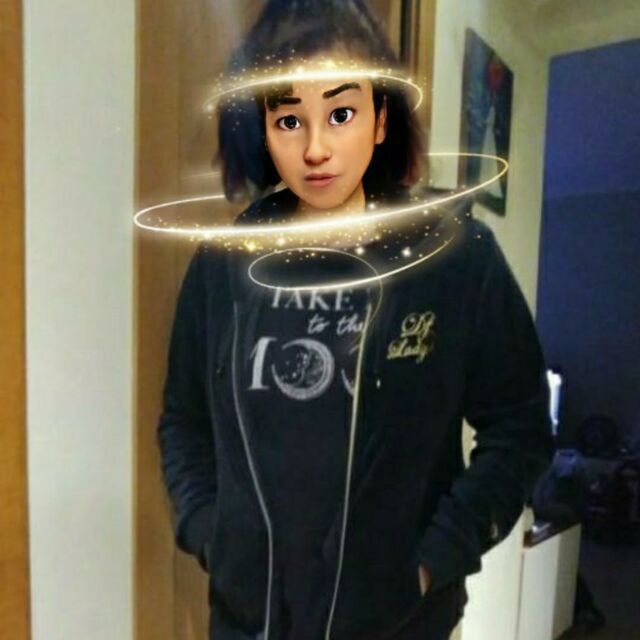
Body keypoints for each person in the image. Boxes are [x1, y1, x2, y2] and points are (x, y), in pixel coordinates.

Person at [156, 2, 554, 639]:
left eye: (341, 114)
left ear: (380, 119)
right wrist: (208, 531)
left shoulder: (453, 256)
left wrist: (434, 558)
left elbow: (521, 428)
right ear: (265, 126)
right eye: (289, 119)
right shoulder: (222, 264)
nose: (315, 148)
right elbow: (183, 419)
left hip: (401, 624)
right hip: (248, 624)